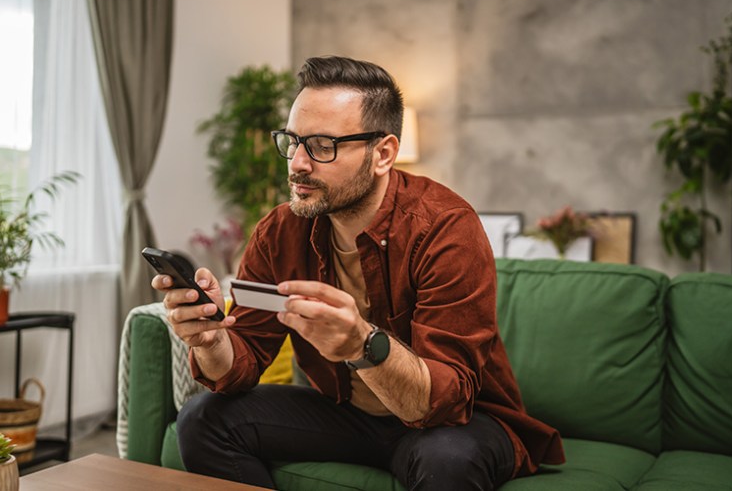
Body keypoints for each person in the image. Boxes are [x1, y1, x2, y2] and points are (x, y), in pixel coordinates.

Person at [154, 56, 565, 490]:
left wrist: (363, 345)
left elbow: (445, 401)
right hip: (347, 414)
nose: (297, 164)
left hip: (457, 421)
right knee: (202, 419)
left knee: (446, 459)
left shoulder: (446, 228)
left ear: (383, 153)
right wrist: (211, 339)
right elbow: (242, 363)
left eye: (322, 146)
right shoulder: (280, 231)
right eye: (292, 141)